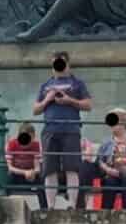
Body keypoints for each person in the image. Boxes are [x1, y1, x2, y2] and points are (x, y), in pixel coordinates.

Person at [34, 50, 92, 210]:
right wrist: (47, 99)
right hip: (50, 130)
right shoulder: (45, 86)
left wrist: (69, 100)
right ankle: (50, 206)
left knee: (71, 168)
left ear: (67, 64)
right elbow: (36, 109)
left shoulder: (78, 84)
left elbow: (88, 105)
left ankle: (72, 205)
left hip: (71, 129)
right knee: (49, 169)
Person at [5, 122, 46, 209]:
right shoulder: (12, 144)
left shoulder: (36, 145)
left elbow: (38, 168)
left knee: (42, 183)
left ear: (34, 137)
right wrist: (24, 172)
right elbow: (10, 167)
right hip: (16, 175)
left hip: (31, 175)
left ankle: (44, 210)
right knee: (6, 182)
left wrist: (32, 173)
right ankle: (4, 209)